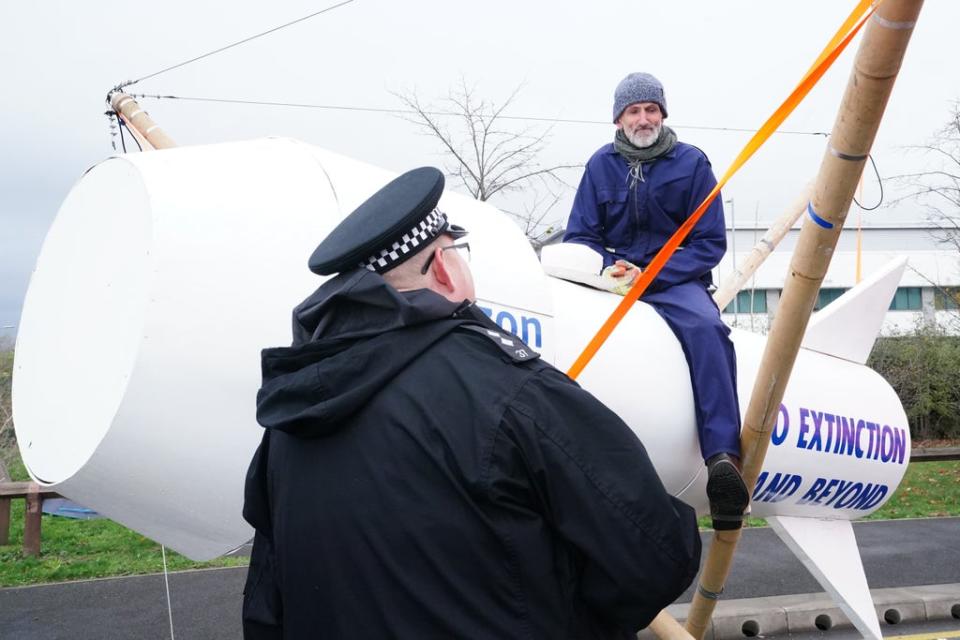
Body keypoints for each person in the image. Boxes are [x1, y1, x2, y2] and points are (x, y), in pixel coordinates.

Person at [242, 167, 701, 639]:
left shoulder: (289, 418)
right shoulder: (511, 391)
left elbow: (264, 607)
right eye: (458, 249)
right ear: (443, 266)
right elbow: (655, 552)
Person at [564, 72, 749, 531]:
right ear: (618, 118)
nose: (643, 118)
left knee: (709, 332)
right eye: (634, 110)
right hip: (614, 280)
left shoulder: (692, 164)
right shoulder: (599, 166)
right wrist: (612, 267)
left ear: (663, 114)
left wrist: (654, 275)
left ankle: (723, 460)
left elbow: (709, 243)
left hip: (675, 281)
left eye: (651, 109)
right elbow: (581, 235)